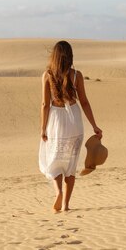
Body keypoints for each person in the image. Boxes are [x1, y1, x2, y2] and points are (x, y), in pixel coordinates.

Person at [39, 41, 102, 213]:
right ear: (70, 56)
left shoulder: (47, 75)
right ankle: (66, 204)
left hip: (56, 120)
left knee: (55, 160)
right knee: (71, 163)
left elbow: (45, 104)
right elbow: (85, 102)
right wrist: (95, 126)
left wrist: (43, 128)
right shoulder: (77, 75)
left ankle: (58, 191)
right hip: (74, 119)